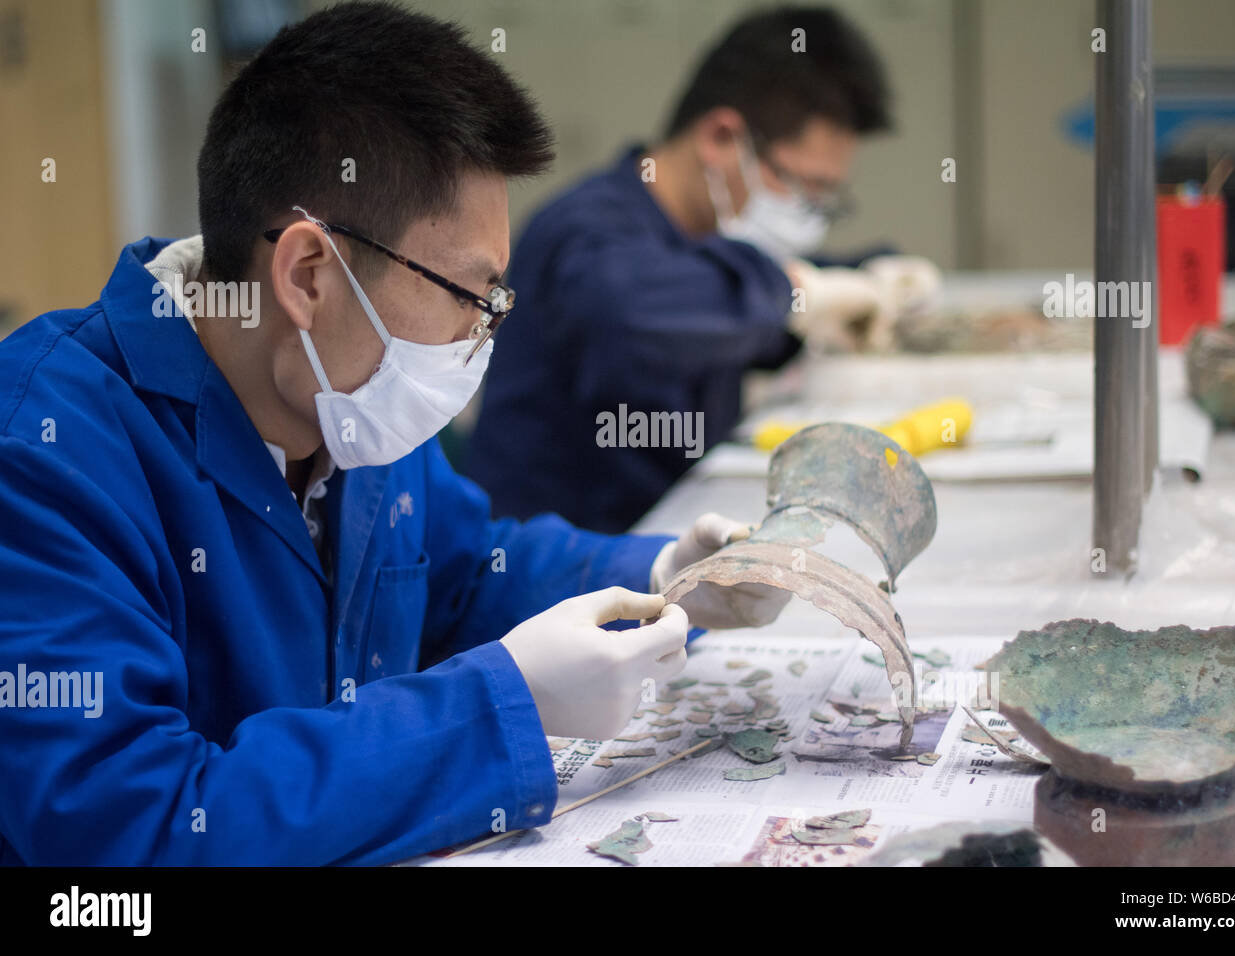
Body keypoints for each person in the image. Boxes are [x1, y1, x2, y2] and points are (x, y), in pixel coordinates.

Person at [0, 3, 785, 866]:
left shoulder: (346, 397)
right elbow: (125, 828)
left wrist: (668, 578)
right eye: (469, 297)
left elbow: (461, 575)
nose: (481, 338)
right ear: (308, 275)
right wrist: (497, 708)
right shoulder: (46, 453)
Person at [464, 5, 940, 534]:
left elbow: (739, 294)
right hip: (551, 570)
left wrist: (873, 277)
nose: (810, 214)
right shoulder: (585, 231)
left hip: (656, 542)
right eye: (804, 187)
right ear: (719, 139)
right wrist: (801, 292)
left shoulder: (706, 243)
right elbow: (642, 313)